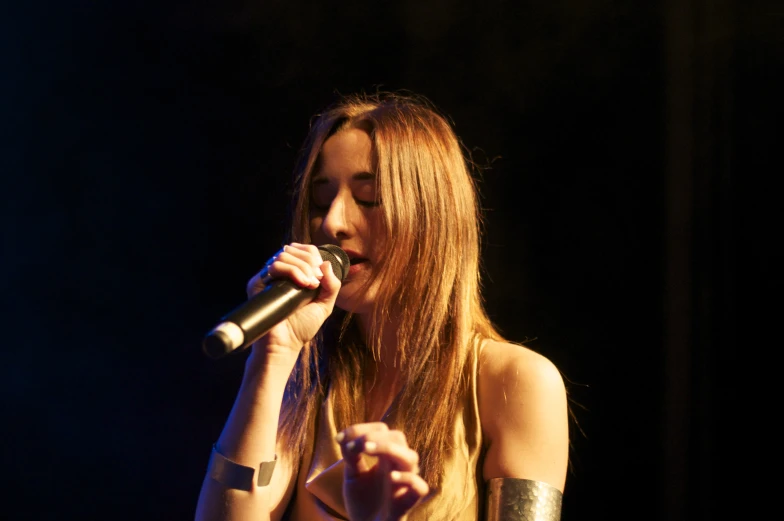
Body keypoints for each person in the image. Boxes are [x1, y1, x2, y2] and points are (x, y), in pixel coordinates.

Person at [195, 92, 570, 521]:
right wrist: (273, 353)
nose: (333, 222)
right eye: (320, 201)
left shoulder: (516, 383)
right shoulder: (304, 383)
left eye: (368, 197)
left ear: (432, 216)